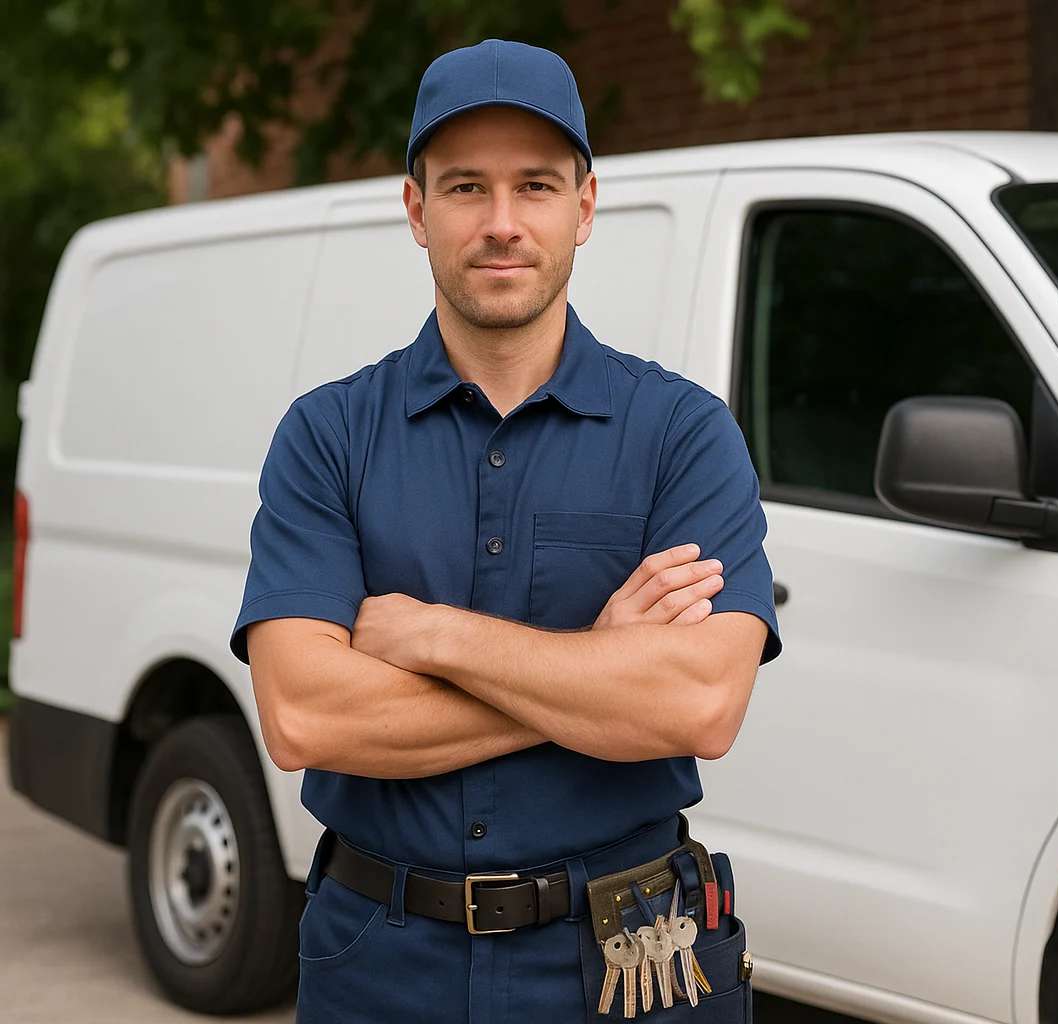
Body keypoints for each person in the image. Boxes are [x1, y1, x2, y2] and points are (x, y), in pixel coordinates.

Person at [230, 38, 780, 1023]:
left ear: (584, 207)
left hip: (630, 962)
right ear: (416, 209)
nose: (501, 223)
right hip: (378, 958)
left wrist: (437, 639)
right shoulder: (326, 436)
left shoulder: (683, 435)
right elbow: (306, 718)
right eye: (465, 187)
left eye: (534, 186)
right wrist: (600, 670)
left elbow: (699, 703)